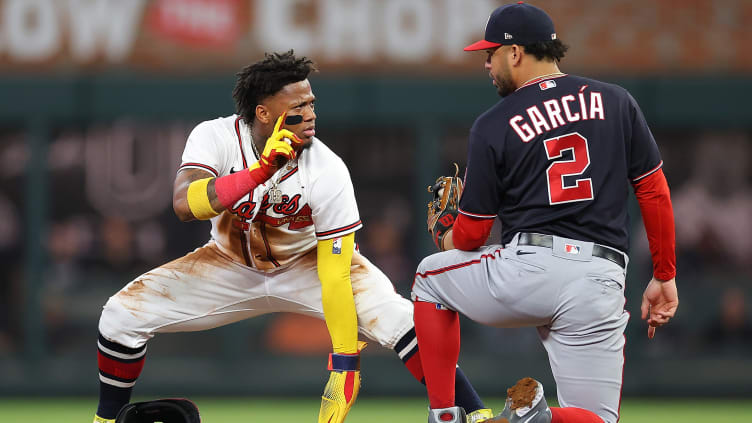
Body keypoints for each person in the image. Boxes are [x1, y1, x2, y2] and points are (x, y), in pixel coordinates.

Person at [92, 51, 491, 423]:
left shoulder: (326, 167)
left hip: (310, 265)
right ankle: (106, 419)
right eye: (298, 107)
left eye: (312, 103)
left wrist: (345, 365)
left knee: (403, 320)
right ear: (263, 113)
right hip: (228, 263)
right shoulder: (215, 137)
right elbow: (185, 203)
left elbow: (334, 274)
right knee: (119, 316)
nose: (310, 114)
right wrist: (258, 174)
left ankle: (474, 413)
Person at [411, 3, 678, 423]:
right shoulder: (618, 101)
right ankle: (543, 419)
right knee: (597, 419)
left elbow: (471, 236)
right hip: (600, 278)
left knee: (429, 276)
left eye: (491, 53)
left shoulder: (494, 122)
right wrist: (664, 274)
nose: (486, 63)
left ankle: (445, 413)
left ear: (515, 52)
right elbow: (653, 190)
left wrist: (446, 233)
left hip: (529, 269)